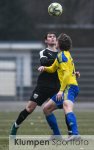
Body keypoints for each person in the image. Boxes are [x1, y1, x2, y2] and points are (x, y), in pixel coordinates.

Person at [10, 32, 61, 136]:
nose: (52, 38)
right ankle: (15, 127)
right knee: (29, 108)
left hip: (57, 87)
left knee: (65, 106)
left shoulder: (61, 54)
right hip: (43, 86)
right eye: (49, 37)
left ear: (56, 40)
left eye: (54, 37)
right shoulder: (44, 52)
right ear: (46, 41)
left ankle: (57, 134)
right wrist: (58, 61)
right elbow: (44, 62)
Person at [38, 33, 80, 140]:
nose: (55, 42)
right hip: (68, 86)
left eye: (57, 41)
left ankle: (75, 134)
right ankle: (57, 135)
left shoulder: (63, 56)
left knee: (67, 106)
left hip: (69, 87)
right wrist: (44, 68)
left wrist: (61, 91)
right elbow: (53, 68)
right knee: (46, 109)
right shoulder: (63, 55)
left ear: (59, 44)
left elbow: (66, 74)